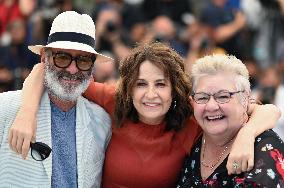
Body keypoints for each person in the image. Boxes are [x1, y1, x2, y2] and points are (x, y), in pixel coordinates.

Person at [10, 43, 281, 187]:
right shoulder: (116, 102)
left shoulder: (192, 118)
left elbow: (268, 109)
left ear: (176, 90)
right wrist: (27, 113)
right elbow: (45, 72)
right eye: (141, 84)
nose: (150, 94)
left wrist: (246, 135)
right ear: (128, 87)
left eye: (161, 84)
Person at [0, 11, 112, 187]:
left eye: (83, 61)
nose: (73, 69)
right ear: (45, 57)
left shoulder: (102, 122)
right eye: (62, 57)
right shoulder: (6, 108)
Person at [176, 54, 284, 187]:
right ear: (192, 102)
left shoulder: (265, 149)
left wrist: (246, 133)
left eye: (223, 96)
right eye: (202, 97)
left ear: (245, 99)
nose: (211, 106)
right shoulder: (191, 133)